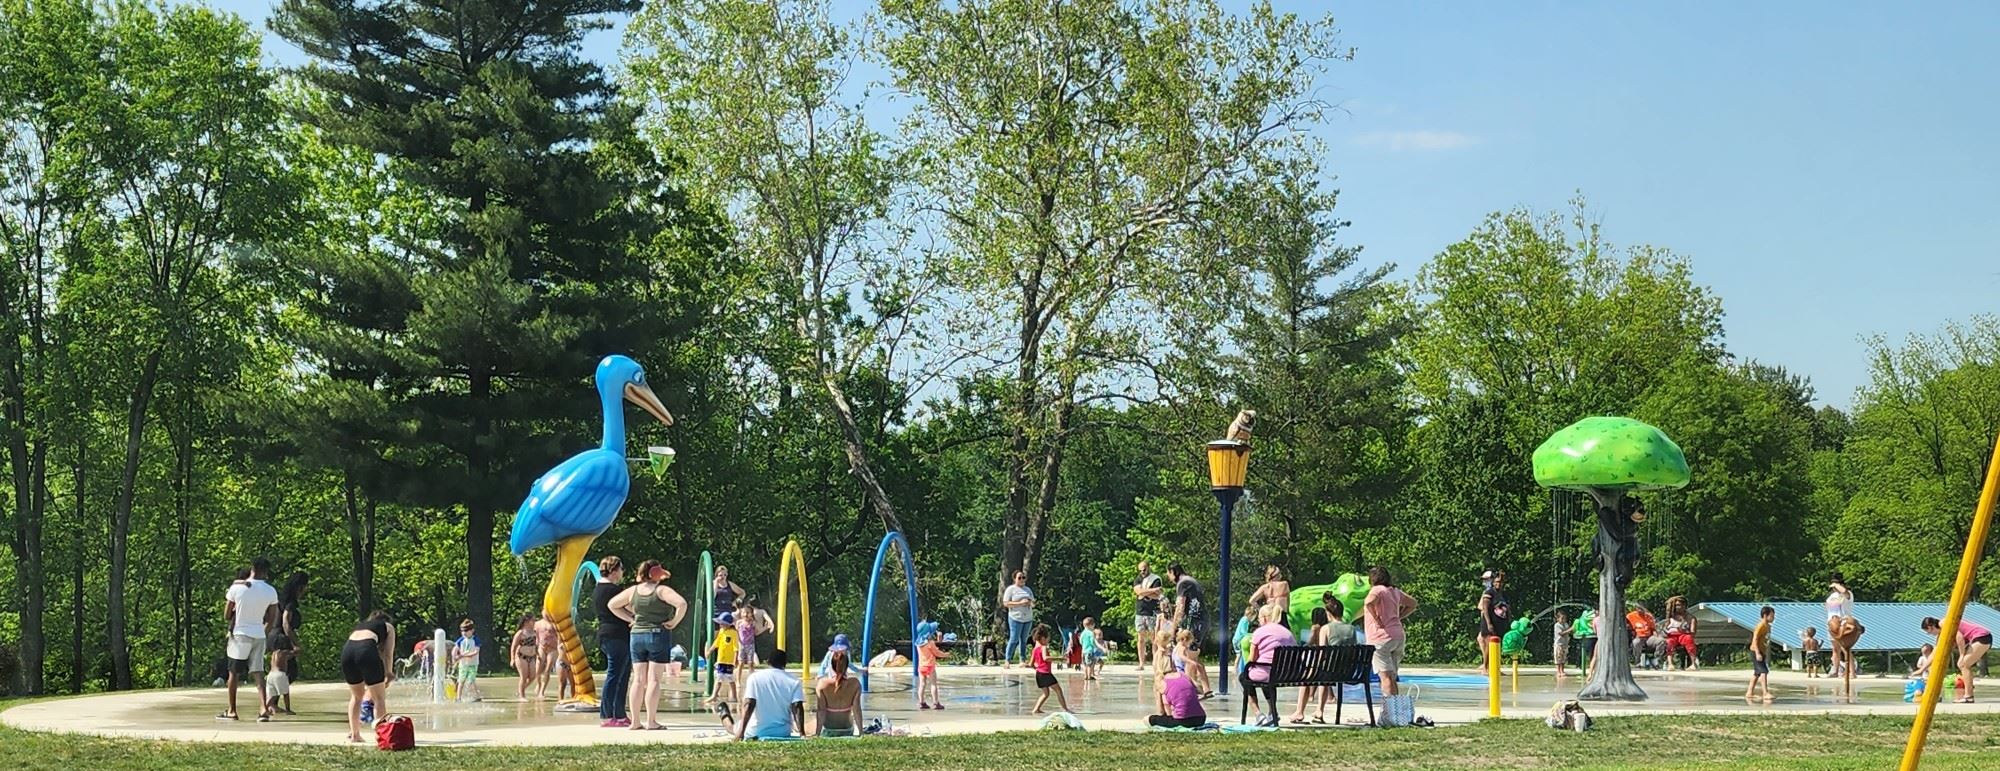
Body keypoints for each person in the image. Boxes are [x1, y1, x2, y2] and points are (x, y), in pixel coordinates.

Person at [610, 559, 688, 731]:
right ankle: (651, 721)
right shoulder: (661, 590)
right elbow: (681, 603)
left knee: (637, 680)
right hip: (657, 635)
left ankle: (635, 721)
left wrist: (631, 619)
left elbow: (612, 605)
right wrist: (674, 621)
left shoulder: (633, 591)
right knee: (653, 679)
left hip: (636, 635)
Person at [220, 558, 280, 722]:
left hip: (240, 634)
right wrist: (263, 630)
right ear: (266, 572)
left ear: (252, 568)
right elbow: (272, 617)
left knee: (234, 673)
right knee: (258, 672)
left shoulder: (236, 588)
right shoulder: (270, 591)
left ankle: (232, 710)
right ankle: (263, 709)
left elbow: (226, 615)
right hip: (258, 634)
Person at [339, 610, 395, 743]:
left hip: (347, 652)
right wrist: (389, 672)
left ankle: (355, 734)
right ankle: (381, 736)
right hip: (366, 651)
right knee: (379, 699)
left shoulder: (361, 626)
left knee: (356, 697)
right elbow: (388, 654)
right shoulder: (388, 627)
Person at [1363, 566, 1418, 698]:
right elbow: (1413, 603)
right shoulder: (1394, 591)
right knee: (1392, 677)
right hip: (1397, 636)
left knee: (1385, 677)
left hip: (1380, 637)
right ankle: (1395, 707)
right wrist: (1399, 616)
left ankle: (1388, 710)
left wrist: (1376, 619)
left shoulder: (1377, 590)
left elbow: (1368, 602)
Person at [1240, 603, 1296, 727]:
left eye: (1259, 619)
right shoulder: (1287, 632)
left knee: (1245, 676)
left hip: (1268, 672)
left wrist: (1247, 667)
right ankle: (1272, 712)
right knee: (1268, 674)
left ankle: (1258, 714)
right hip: (1288, 673)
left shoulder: (1259, 632)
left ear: (1264, 618)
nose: (1258, 622)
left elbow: (1251, 659)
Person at [593, 556, 631, 727]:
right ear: (614, 570)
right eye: (621, 569)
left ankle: (619, 713)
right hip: (616, 634)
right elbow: (629, 606)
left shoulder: (598, 589)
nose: (622, 572)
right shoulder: (614, 591)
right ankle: (607, 715)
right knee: (615, 675)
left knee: (621, 675)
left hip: (607, 635)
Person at [734, 647, 804, 741]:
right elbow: (797, 707)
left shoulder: (754, 678)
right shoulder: (794, 681)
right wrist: (802, 733)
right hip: (782, 732)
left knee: (732, 727)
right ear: (785, 663)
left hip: (755, 731)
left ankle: (724, 714)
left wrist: (741, 733)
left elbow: (749, 704)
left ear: (768, 662)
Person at [1920, 616, 1992, 703]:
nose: (1931, 635)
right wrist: (1922, 669)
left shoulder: (1943, 623)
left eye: (1928, 632)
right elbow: (1934, 654)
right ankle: (1968, 694)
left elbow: (1959, 637)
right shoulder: (1942, 634)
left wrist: (1961, 655)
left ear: (1930, 627)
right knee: (1963, 664)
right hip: (1983, 637)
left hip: (1981, 636)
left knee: (1963, 664)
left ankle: (1969, 696)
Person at [270, 571, 308, 715]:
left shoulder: (281, 599)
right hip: (281, 638)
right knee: (287, 672)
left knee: (280, 671)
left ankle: (273, 702)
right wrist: (294, 643)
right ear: (300, 587)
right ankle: (271, 702)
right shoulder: (290, 603)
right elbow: (286, 623)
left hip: (274, 635)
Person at [1288, 607, 1332, 724]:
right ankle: (1320, 710)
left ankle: (1299, 711)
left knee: (1305, 680)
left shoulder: (1315, 627)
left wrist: (1305, 645)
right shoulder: (1327, 627)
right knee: (1324, 682)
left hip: (1315, 659)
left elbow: (1311, 641)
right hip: (1326, 664)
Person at [814, 649, 864, 736]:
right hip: (847, 729)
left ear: (832, 665)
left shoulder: (822, 684)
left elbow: (821, 711)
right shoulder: (855, 683)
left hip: (828, 730)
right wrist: (861, 733)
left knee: (811, 722)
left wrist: (817, 734)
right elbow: (857, 710)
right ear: (847, 665)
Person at [1826, 573, 1862, 690]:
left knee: (1845, 648)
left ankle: (1852, 672)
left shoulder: (1847, 594)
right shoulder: (1831, 596)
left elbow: (1845, 593)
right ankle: (1835, 670)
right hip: (1832, 623)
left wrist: (1837, 584)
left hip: (1843, 622)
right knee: (1835, 649)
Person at [704, 612, 743, 710]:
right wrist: (710, 650)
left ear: (728, 624)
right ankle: (714, 695)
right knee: (719, 678)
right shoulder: (722, 631)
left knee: (730, 679)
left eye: (722, 623)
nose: (720, 625)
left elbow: (735, 647)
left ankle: (733, 696)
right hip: (721, 659)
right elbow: (716, 642)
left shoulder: (733, 633)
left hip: (729, 661)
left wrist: (735, 660)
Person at [1029, 624, 1071, 714]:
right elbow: (1045, 658)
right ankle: (1066, 709)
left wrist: (1037, 668)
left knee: (1046, 693)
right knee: (1058, 690)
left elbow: (1031, 664)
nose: (1048, 641)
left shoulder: (1035, 649)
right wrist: (1059, 658)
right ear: (1043, 638)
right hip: (1045, 673)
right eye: (1048, 639)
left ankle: (1036, 709)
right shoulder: (1043, 647)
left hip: (1039, 674)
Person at [1133, 560, 1165, 670]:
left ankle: (1155, 662)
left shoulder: (1156, 579)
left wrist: (1145, 592)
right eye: (1140, 570)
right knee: (1141, 638)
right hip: (1140, 611)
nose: (1142, 572)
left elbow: (1158, 595)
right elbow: (1138, 592)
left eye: (1144, 569)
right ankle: (1141, 663)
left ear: (1148, 568)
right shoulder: (1138, 579)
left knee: (1154, 638)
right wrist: (1152, 590)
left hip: (1152, 612)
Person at [1002, 571, 1036, 668]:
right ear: (1014, 579)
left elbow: (1033, 603)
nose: (1022, 579)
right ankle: (1007, 660)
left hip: (1027, 618)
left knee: (1024, 640)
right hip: (1015, 617)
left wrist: (1030, 602)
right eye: (1019, 578)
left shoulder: (1028, 590)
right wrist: (1020, 603)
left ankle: (1022, 660)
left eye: (1023, 577)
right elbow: (1006, 603)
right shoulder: (1011, 589)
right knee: (1014, 638)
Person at [1477, 569, 1509, 672]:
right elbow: (1485, 608)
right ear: (1493, 582)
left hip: (1499, 624)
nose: (1498, 584)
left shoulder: (1501, 594)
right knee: (1488, 646)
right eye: (1496, 582)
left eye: (1500, 582)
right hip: (1489, 623)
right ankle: (1485, 668)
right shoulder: (1489, 592)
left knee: (1497, 646)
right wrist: (1489, 623)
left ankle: (1495, 668)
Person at [1167, 565, 1206, 643]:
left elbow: (1180, 607)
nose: (1169, 579)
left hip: (1193, 621)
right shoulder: (1190, 580)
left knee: (1185, 650)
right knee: (1191, 650)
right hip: (1201, 619)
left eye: (1169, 574)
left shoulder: (1183, 583)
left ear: (1172, 572)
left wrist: (1173, 628)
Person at [1745, 605, 1774, 703]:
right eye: (1772, 616)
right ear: (1765, 615)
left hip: (1762, 651)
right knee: (1764, 672)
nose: (1773, 618)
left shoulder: (1767, 626)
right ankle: (1765, 693)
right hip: (1756, 651)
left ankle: (1749, 692)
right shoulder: (1760, 625)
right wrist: (1757, 653)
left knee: (1757, 673)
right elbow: (1755, 639)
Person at [510, 614, 542, 700]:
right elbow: (513, 646)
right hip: (521, 657)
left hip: (531, 657)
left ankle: (521, 689)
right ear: (527, 622)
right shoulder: (520, 633)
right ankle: (522, 696)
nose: (534, 622)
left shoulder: (534, 632)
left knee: (532, 676)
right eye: (533, 620)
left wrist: (538, 654)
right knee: (523, 677)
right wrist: (512, 658)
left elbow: (536, 645)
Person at [453, 619, 483, 702]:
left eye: (466, 631)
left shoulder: (476, 640)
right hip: (463, 664)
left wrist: (462, 655)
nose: (464, 633)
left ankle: (476, 696)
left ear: (472, 630)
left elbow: (476, 652)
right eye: (462, 631)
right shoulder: (461, 640)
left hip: (473, 664)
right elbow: (455, 649)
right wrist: (454, 657)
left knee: (471, 680)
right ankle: (458, 697)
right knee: (461, 680)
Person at [1665, 602, 1699, 671]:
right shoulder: (1670, 617)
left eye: (1679, 605)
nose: (1678, 607)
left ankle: (1693, 664)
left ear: (1684, 606)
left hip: (1684, 635)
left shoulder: (1690, 618)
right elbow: (1666, 628)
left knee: (1689, 639)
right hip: (1672, 635)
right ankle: (1670, 664)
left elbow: (1693, 632)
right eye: (1676, 605)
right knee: (1669, 642)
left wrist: (1684, 630)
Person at [918, 627, 945, 709]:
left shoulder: (918, 642)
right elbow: (936, 653)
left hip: (921, 666)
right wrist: (946, 655)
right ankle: (936, 703)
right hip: (930, 666)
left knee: (922, 685)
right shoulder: (930, 643)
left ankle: (921, 702)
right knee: (933, 684)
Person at [1627, 603, 1660, 670]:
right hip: (1638, 636)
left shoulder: (1649, 616)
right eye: (1639, 608)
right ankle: (1637, 662)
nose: (1640, 610)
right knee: (1636, 642)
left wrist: (1656, 634)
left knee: (1661, 641)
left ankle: (1655, 660)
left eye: (1642, 608)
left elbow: (1653, 628)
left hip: (1648, 637)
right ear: (1636, 608)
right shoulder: (1630, 616)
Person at [535, 611, 560, 699]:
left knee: (548, 669)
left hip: (553, 648)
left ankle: (542, 691)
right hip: (541, 647)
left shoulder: (555, 623)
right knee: (538, 669)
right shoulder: (537, 624)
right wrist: (535, 646)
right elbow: (536, 636)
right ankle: (538, 684)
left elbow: (559, 635)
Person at [1553, 611, 1572, 676]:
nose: (1564, 620)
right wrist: (1569, 630)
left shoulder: (1566, 624)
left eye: (1565, 618)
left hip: (1565, 644)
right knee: (1558, 657)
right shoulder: (1557, 625)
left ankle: (1562, 670)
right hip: (1559, 644)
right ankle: (1558, 671)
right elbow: (1561, 634)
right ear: (1557, 619)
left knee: (1564, 658)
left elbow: (1569, 632)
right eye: (1562, 618)